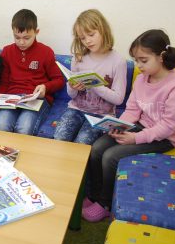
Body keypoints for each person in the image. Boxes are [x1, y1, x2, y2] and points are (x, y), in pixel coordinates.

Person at [82, 29, 175, 222]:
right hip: (141, 126)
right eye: (136, 60)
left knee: (111, 156)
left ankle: (105, 203)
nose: (139, 65)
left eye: (143, 60)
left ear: (161, 57)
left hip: (166, 137)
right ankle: (94, 195)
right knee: (98, 147)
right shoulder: (142, 79)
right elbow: (133, 109)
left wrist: (135, 138)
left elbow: (168, 126)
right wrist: (119, 125)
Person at [54, 9, 127, 144]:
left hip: (101, 115)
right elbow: (72, 96)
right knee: (59, 138)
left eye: (91, 34)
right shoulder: (78, 58)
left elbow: (118, 99)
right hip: (76, 109)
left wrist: (96, 85)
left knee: (82, 142)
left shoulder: (118, 61)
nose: (87, 41)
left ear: (103, 30)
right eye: (82, 38)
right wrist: (72, 86)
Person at [0, 9, 65, 135]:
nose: (21, 42)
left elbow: (59, 80)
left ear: (36, 32)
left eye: (26, 38)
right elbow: (3, 81)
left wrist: (45, 87)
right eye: (17, 37)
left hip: (36, 100)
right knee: (1, 124)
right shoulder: (7, 51)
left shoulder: (46, 52)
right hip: (12, 98)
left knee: (24, 128)